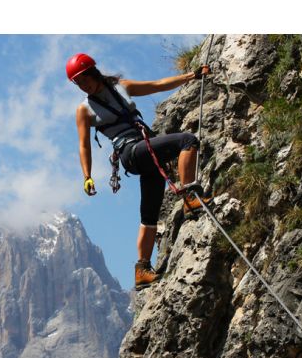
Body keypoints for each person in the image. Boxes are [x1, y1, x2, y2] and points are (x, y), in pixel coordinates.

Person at [67, 52, 211, 291]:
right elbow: (84, 144)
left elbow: (156, 85)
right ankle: (189, 198)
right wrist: (87, 177)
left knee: (149, 213)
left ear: (93, 72)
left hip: (144, 150)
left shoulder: (120, 88)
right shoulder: (84, 110)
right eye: (78, 84)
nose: (83, 86)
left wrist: (192, 76)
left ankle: (142, 270)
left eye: (84, 80)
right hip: (131, 152)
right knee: (187, 140)